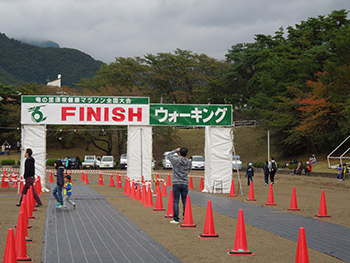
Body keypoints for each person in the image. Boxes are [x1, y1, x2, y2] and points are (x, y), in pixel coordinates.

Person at [167, 147, 191, 224]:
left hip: (176, 182)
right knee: (185, 201)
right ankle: (186, 216)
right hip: (185, 182)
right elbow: (189, 170)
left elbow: (169, 155)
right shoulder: (189, 162)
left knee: (176, 201)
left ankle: (176, 219)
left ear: (179, 153)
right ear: (186, 154)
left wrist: (176, 150)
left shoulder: (176, 161)